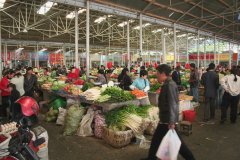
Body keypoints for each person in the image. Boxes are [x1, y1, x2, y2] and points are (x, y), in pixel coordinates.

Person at [147, 64, 195, 160]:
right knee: (156, 140)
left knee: (180, 145)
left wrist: (172, 122)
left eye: (157, 73)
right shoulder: (167, 84)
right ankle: (151, 158)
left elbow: (173, 104)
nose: (156, 75)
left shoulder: (170, 85)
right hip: (164, 119)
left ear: (163, 73)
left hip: (168, 120)